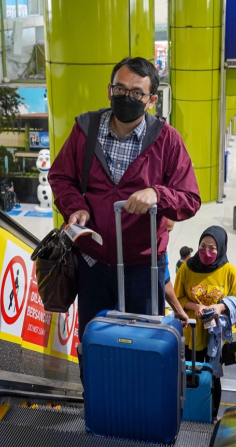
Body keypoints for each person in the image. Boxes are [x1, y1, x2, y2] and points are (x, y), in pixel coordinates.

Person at [48, 57, 201, 340]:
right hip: (92, 262)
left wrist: (158, 194)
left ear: (152, 99)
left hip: (142, 268)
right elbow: (60, 177)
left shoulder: (167, 140)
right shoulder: (85, 130)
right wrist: (76, 206)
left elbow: (190, 198)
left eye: (136, 93)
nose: (126, 97)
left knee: (142, 345)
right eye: (120, 89)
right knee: (94, 341)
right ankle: (92, 386)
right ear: (109, 89)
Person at [175, 226, 236, 422]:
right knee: (187, 372)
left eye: (212, 248)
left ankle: (211, 415)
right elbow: (176, 298)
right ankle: (185, 412)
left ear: (220, 248)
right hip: (191, 334)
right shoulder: (187, 268)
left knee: (213, 376)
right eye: (203, 246)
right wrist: (194, 306)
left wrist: (220, 307)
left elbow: (235, 304)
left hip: (215, 338)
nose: (207, 252)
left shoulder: (230, 272)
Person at [163, 219, 190, 326]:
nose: (165, 237)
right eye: (165, 231)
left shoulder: (161, 254)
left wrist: (178, 309)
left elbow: (165, 280)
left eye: (169, 232)